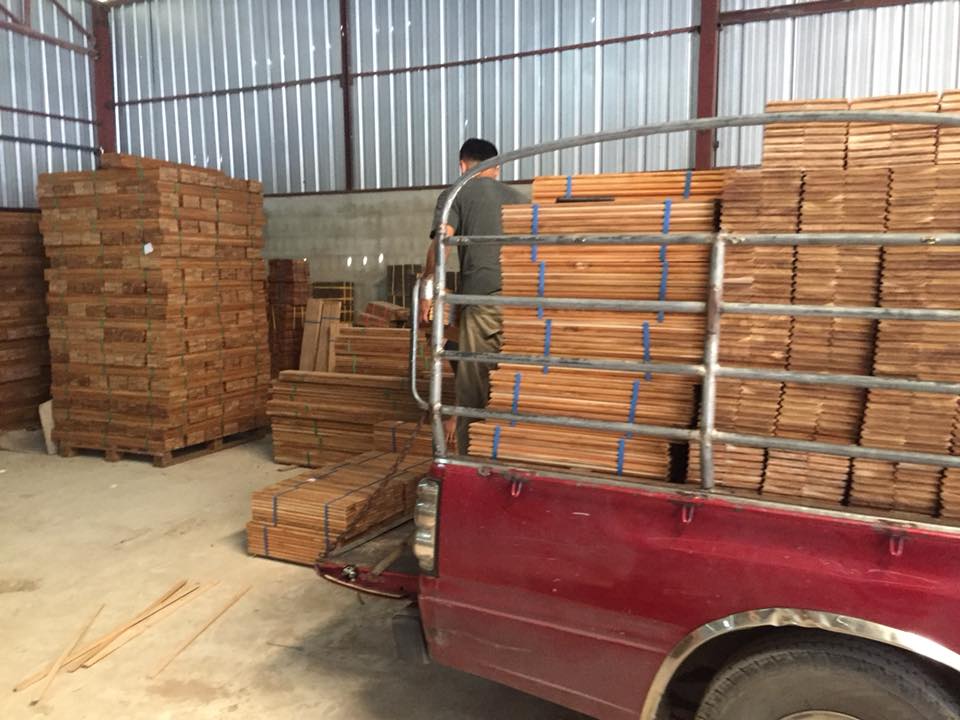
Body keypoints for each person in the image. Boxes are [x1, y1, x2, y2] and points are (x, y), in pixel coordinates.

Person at [421, 138, 525, 454]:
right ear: (497, 168)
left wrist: (427, 288)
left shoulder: (456, 193)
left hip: (483, 302)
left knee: (474, 390)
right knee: (513, 383)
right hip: (525, 307)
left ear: (462, 166)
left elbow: (443, 243)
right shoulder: (521, 200)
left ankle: (471, 461)